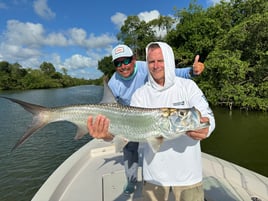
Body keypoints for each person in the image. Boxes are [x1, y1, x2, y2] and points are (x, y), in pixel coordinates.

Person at [88, 44, 205, 195]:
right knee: (129, 149)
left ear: (134, 59)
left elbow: (173, 72)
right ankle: (131, 179)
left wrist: (192, 71)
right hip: (126, 117)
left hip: (149, 112)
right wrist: (107, 133)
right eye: (118, 63)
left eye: (126, 61)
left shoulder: (148, 66)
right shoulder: (113, 83)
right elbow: (107, 107)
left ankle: (159, 176)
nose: (123, 66)